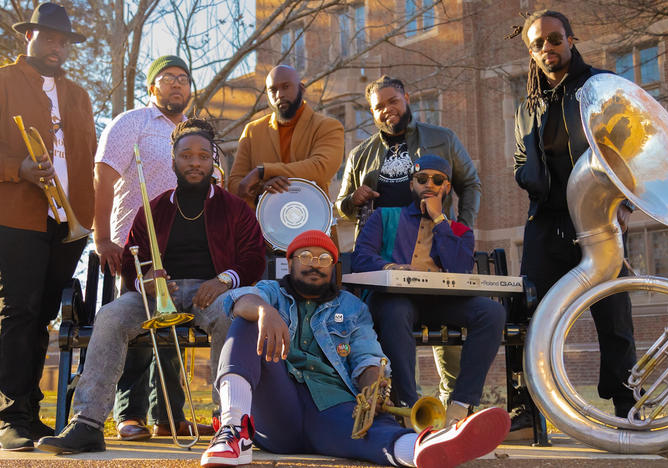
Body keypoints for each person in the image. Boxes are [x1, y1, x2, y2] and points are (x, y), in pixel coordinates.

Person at [36, 119, 266, 454]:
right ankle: (87, 423)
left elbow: (253, 257)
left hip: (213, 292)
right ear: (173, 161)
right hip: (160, 296)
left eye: (203, 156)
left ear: (213, 160)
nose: (195, 162)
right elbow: (133, 259)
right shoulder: (154, 207)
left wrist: (223, 280)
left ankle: (226, 424)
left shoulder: (233, 207)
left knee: (231, 319)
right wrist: (143, 280)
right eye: (187, 155)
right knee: (111, 317)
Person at [199, 230, 510, 468]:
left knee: (374, 435)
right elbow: (234, 300)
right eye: (305, 256)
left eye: (323, 260)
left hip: (332, 406)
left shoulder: (351, 306)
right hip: (278, 407)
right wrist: (265, 311)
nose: (314, 265)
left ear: (333, 268)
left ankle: (424, 449)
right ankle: (232, 431)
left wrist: (371, 385)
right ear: (290, 263)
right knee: (247, 319)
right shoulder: (271, 292)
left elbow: (366, 354)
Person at [0, 2, 96, 451]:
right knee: (18, 308)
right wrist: (16, 166)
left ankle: (31, 412)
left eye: (63, 41)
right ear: (30, 37)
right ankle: (12, 418)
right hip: (11, 210)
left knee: (41, 314)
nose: (57, 47)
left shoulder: (79, 96)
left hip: (67, 220)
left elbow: (85, 159)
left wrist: (88, 215)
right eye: (49, 38)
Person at [511, 9, 637, 421]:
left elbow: (629, 146)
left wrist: (625, 206)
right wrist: (526, 175)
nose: (547, 48)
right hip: (546, 223)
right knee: (532, 317)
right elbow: (519, 157)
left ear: (571, 39)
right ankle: (530, 412)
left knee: (614, 318)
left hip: (599, 217)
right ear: (531, 52)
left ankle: (627, 407)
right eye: (537, 44)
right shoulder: (527, 104)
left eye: (554, 39)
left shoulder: (601, 87)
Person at [336, 76, 483, 408]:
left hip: (434, 246)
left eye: (393, 101)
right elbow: (342, 206)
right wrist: (352, 200)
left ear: (406, 98)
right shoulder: (362, 153)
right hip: (384, 252)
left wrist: (461, 228)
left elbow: (470, 182)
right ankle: (408, 406)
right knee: (394, 316)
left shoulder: (441, 138)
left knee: (448, 325)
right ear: (371, 112)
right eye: (378, 106)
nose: (387, 110)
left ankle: (452, 404)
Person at [93, 55, 211, 441]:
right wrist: (103, 238)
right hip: (134, 249)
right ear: (151, 87)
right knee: (139, 330)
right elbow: (104, 178)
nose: (177, 84)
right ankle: (131, 414)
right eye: (167, 78)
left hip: (184, 252)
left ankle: (168, 417)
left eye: (183, 78)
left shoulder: (196, 133)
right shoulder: (133, 122)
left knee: (172, 335)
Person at [351, 155, 506, 425]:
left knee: (491, 312)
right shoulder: (384, 217)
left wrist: (439, 219)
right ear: (412, 184)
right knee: (396, 311)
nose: (429, 185)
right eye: (422, 179)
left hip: (440, 303)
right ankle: (410, 407)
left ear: (447, 187)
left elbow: (459, 269)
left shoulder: (459, 230)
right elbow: (362, 257)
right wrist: (392, 268)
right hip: (394, 301)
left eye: (438, 180)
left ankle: (460, 406)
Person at [228, 65, 343, 207]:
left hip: (315, 222)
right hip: (264, 225)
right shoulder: (252, 131)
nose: (279, 95)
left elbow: (320, 168)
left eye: (286, 87)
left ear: (301, 88)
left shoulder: (327, 126)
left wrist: (263, 171)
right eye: (273, 90)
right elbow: (235, 184)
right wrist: (263, 190)